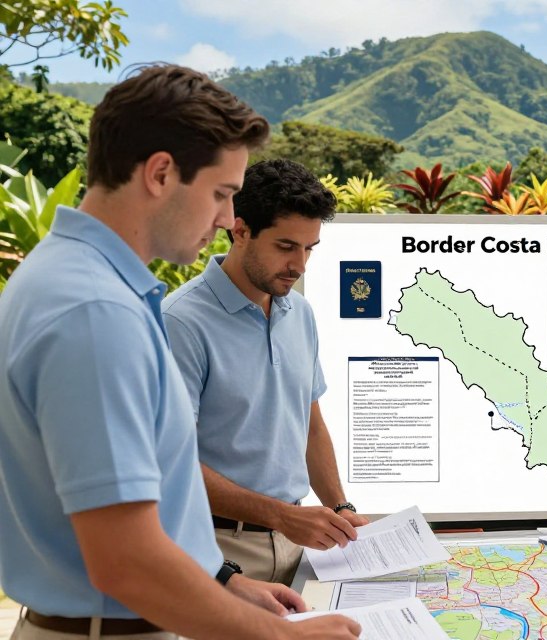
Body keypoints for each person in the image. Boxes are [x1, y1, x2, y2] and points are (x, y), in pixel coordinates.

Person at [0, 64, 360, 639]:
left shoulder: (74, 281)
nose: (224, 220)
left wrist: (225, 582)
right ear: (161, 173)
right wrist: (283, 636)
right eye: (221, 194)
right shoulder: (96, 311)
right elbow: (125, 559)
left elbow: (150, 502)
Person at [162, 158, 368, 585]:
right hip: (218, 551)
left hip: (300, 546)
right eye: (286, 246)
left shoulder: (300, 313)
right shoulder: (180, 322)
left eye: (309, 248)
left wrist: (340, 509)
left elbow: (309, 425)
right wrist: (283, 516)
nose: (300, 264)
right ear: (240, 231)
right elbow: (171, 463)